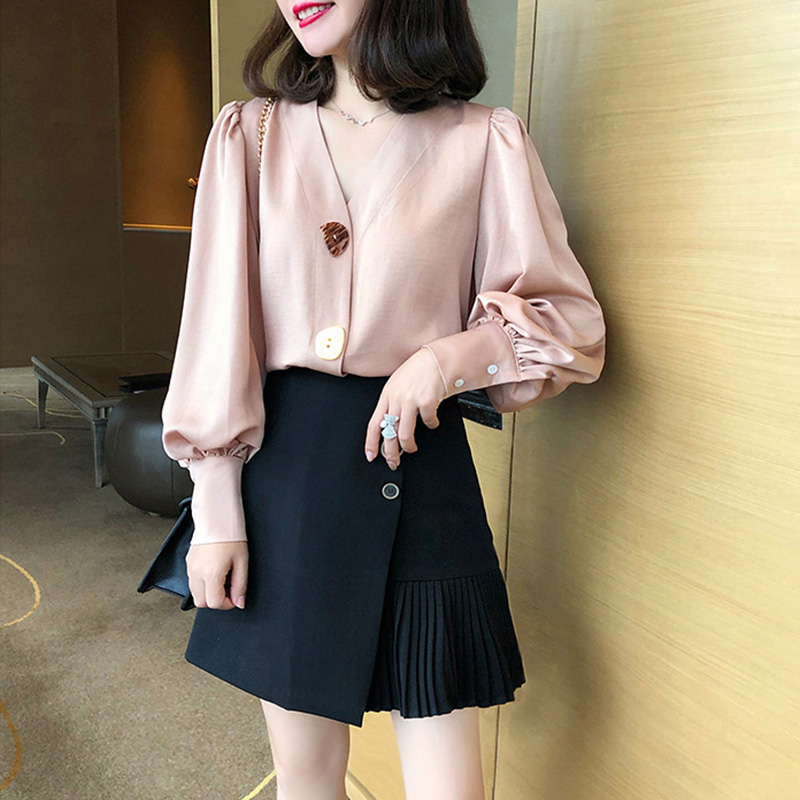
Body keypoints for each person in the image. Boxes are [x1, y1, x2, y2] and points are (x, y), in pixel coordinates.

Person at [160, 1, 606, 798]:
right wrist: (216, 504)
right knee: (307, 779)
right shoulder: (250, 135)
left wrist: (446, 360)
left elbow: (567, 325)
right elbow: (216, 331)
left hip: (423, 477)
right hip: (287, 480)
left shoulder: (484, 141)